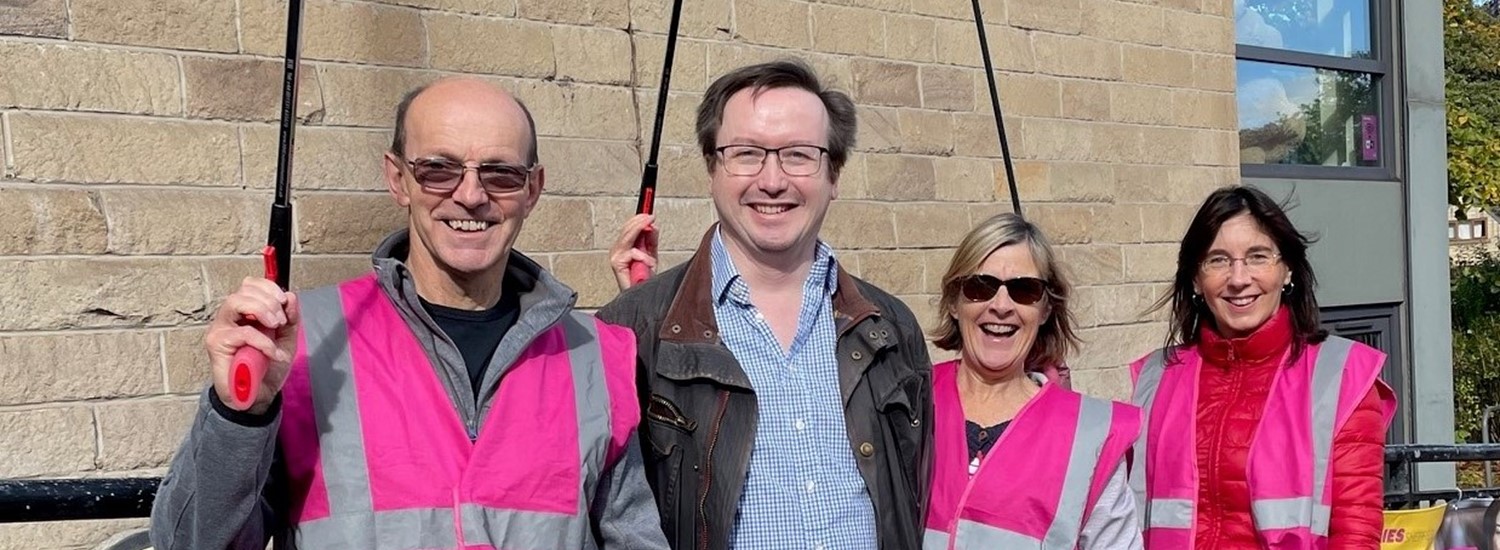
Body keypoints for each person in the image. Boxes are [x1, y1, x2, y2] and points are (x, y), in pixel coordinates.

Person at [149, 77, 668, 549]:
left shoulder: (597, 354)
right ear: (398, 179)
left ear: (532, 189)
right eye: (438, 170)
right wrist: (240, 415)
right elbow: (191, 543)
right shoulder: (299, 342)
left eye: (501, 174)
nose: (470, 195)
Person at [598, 59, 934, 549]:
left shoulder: (891, 327)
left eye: (799, 155)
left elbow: (918, 492)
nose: (772, 180)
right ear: (712, 168)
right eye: (747, 154)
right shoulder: (633, 330)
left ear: (833, 174)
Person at [1128, 185, 1396, 549]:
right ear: (1195, 278)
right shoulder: (1154, 378)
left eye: (1257, 256)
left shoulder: (1341, 375)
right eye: (1218, 260)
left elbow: (1355, 533)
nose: (1238, 279)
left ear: (1287, 271)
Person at [922, 213, 1142, 549]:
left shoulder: (1089, 434)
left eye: (1024, 290)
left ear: (1045, 309)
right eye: (980, 286)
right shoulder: (908, 402)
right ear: (954, 301)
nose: (1001, 306)